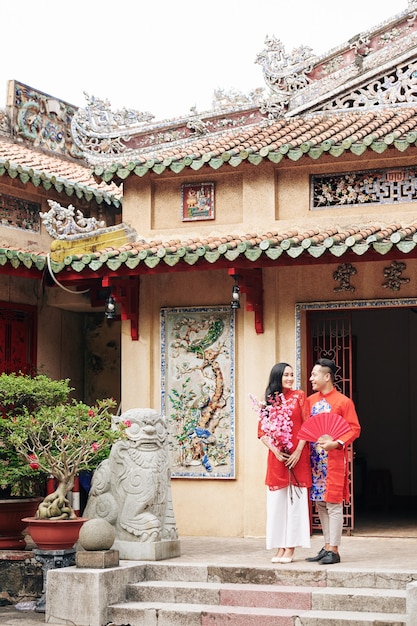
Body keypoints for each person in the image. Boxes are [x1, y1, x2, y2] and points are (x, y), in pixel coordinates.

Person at [305, 358, 361, 565]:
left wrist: (336, 442)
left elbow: (354, 429)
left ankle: (335, 550)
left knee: (334, 503)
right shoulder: (310, 401)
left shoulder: (343, 402)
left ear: (327, 376)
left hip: (334, 460)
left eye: (314, 374)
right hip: (315, 460)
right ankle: (327, 545)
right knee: (320, 503)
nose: (311, 378)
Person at [257, 362, 311, 564]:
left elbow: (307, 425)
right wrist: (276, 451)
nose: (289, 378)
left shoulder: (299, 396)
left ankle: (291, 548)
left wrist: (298, 450)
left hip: (297, 457)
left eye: (291, 374)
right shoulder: (269, 402)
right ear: (277, 377)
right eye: (285, 375)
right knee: (277, 504)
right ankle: (280, 547)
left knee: (295, 504)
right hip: (278, 459)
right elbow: (262, 433)